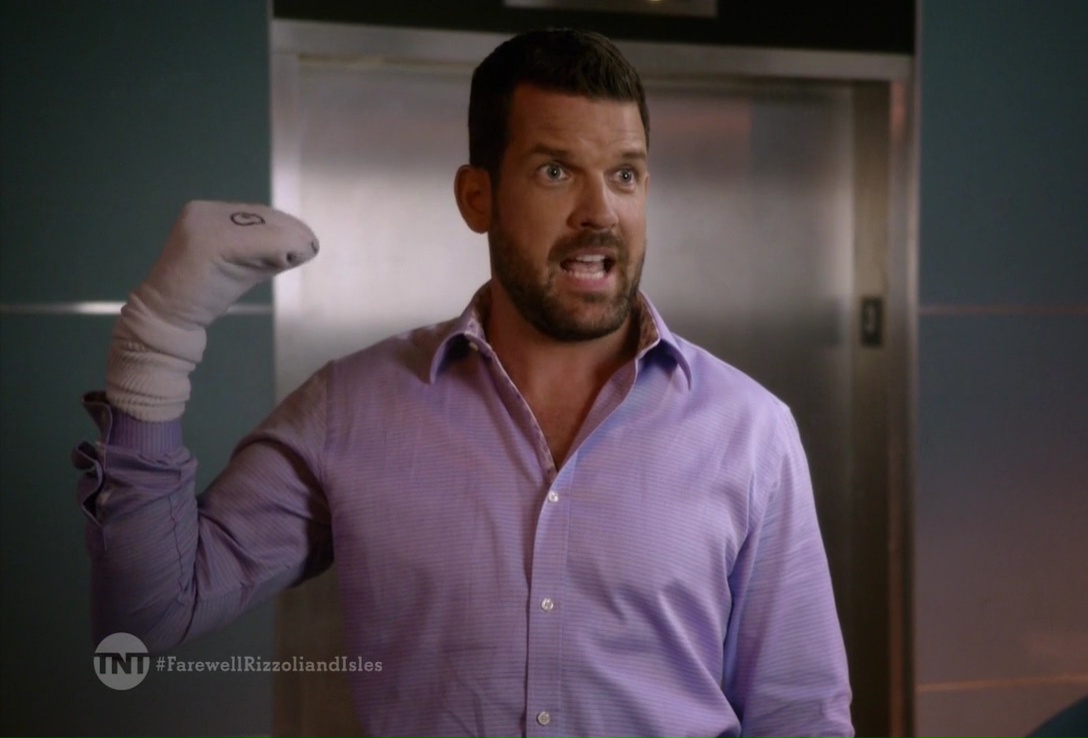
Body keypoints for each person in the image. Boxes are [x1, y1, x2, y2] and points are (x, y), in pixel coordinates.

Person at [74, 28, 853, 737]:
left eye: (625, 174)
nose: (600, 212)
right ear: (477, 197)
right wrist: (157, 342)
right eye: (556, 171)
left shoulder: (750, 431)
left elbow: (800, 716)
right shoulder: (352, 409)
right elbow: (151, 612)